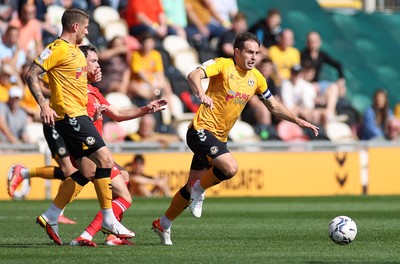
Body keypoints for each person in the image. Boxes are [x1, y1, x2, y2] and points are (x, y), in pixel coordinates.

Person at [151, 32, 319, 245]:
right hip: (200, 130)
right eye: (249, 52)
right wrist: (201, 94)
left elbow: (274, 106)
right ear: (237, 52)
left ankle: (163, 223)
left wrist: (298, 120)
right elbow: (193, 75)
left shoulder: (256, 78)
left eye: (257, 53)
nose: (253, 57)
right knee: (230, 168)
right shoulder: (222, 65)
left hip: (219, 138)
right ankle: (199, 190)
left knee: (189, 186)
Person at [24, 8, 134, 245]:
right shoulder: (58, 48)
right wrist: (44, 105)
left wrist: (92, 75)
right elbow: (31, 73)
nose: (87, 31)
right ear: (75, 27)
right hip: (71, 117)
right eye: (85, 27)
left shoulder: (75, 52)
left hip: (80, 116)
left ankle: (51, 215)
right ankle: (107, 219)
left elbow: (76, 80)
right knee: (105, 161)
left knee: (88, 171)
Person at [300, 31, 344, 121]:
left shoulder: (321, 55)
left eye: (314, 41)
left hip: (317, 84)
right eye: (310, 41)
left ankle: (329, 112)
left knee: (335, 88)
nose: (312, 43)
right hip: (306, 83)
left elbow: (338, 64)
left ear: (319, 42)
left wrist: (341, 79)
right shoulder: (303, 55)